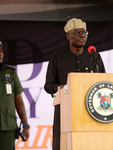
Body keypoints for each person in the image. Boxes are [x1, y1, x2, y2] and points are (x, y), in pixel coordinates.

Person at [44, 18, 106, 150]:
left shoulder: (94, 57)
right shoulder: (57, 56)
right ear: (68, 36)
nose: (82, 35)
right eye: (78, 32)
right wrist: (62, 88)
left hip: (90, 112)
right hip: (65, 111)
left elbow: (104, 83)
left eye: (85, 32)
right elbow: (48, 85)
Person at [0, 40, 29, 149]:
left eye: (1, 51)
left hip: (8, 129)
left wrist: (25, 125)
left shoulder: (11, 72)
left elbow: (19, 101)